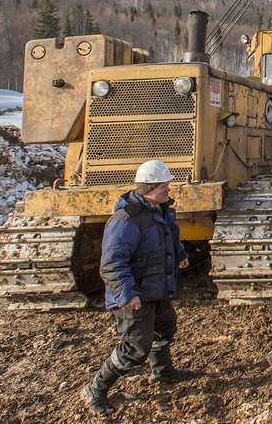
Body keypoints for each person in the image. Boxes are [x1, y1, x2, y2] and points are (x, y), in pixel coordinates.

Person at [81, 160, 191, 416]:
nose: (169, 190)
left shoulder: (159, 209)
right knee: (134, 349)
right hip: (137, 293)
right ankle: (95, 389)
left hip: (156, 288)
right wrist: (127, 294)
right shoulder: (126, 220)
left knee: (165, 328)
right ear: (149, 187)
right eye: (165, 185)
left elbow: (169, 237)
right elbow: (111, 262)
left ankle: (162, 373)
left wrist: (180, 254)